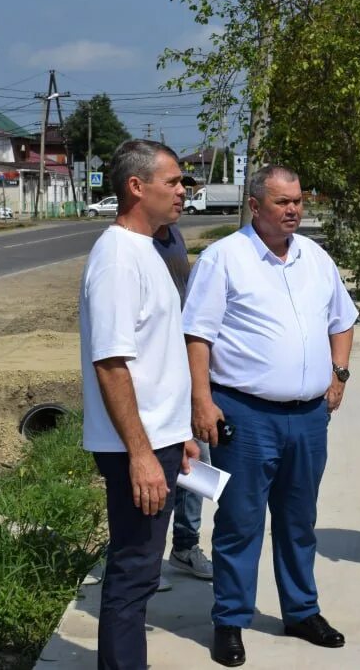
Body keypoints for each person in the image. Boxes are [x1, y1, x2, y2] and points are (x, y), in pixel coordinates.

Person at [183, 164, 357, 668]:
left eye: (298, 200)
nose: (294, 210)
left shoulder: (314, 257)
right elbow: (198, 335)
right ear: (255, 206)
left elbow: (341, 319)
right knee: (240, 521)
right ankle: (230, 620)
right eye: (282, 202)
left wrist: (338, 373)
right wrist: (201, 400)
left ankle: (301, 612)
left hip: (308, 416)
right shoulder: (224, 258)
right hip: (245, 413)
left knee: (299, 520)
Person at [78, 140, 200, 670]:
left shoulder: (149, 248)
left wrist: (180, 434)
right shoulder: (116, 260)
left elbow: (157, 355)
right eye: (172, 182)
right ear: (136, 187)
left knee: (143, 572)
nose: (182, 190)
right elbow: (111, 363)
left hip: (159, 439)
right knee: (131, 574)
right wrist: (143, 454)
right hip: (137, 448)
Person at [154, 218, 215, 584]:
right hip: (158, 370)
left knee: (195, 462)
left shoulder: (173, 235)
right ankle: (141, 554)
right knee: (156, 464)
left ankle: (184, 546)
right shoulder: (136, 244)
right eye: (173, 185)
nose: (181, 194)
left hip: (185, 363)